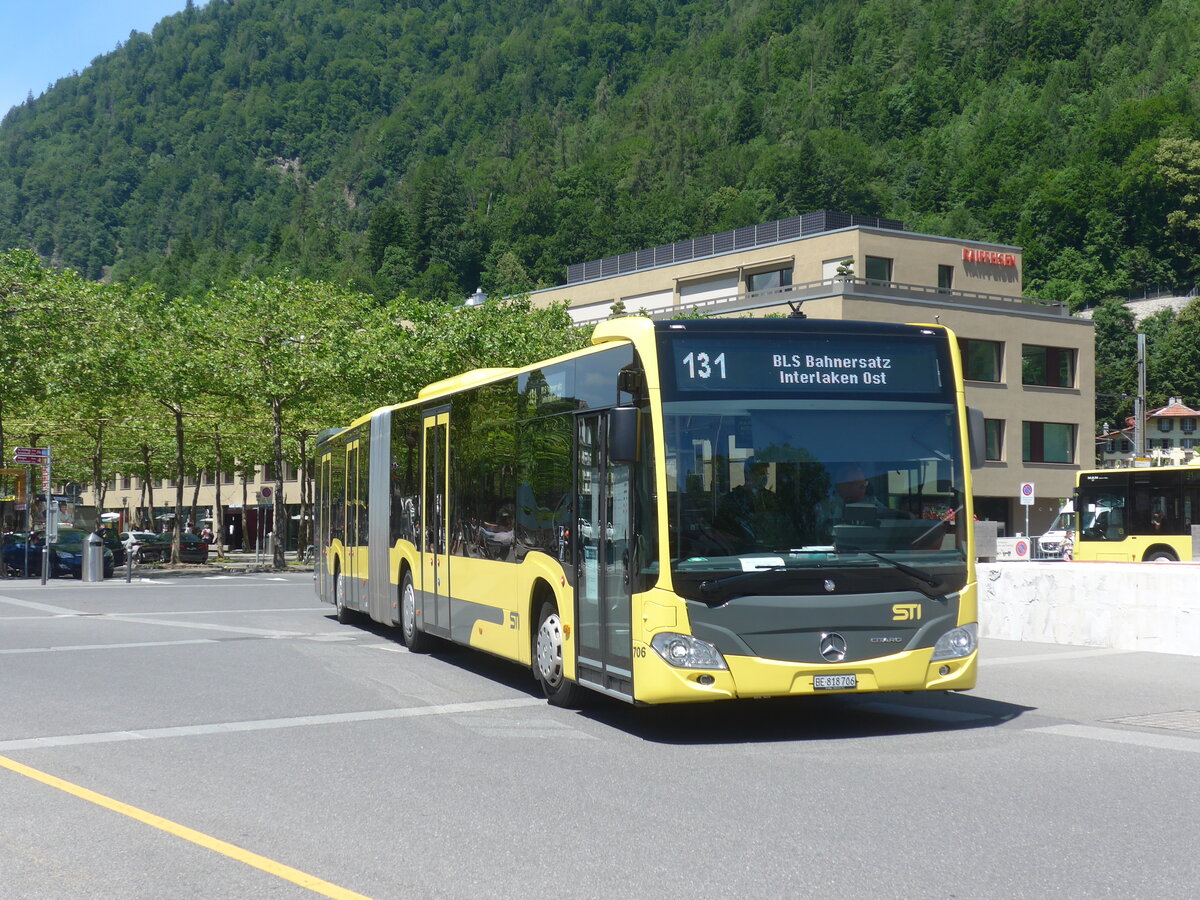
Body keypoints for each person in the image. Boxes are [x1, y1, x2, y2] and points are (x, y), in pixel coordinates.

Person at [714, 457, 790, 551]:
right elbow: (721, 532)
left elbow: (781, 526)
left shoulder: (772, 498)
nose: (763, 476)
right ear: (747, 474)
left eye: (764, 473)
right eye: (759, 473)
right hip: (742, 554)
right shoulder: (732, 500)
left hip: (772, 553)